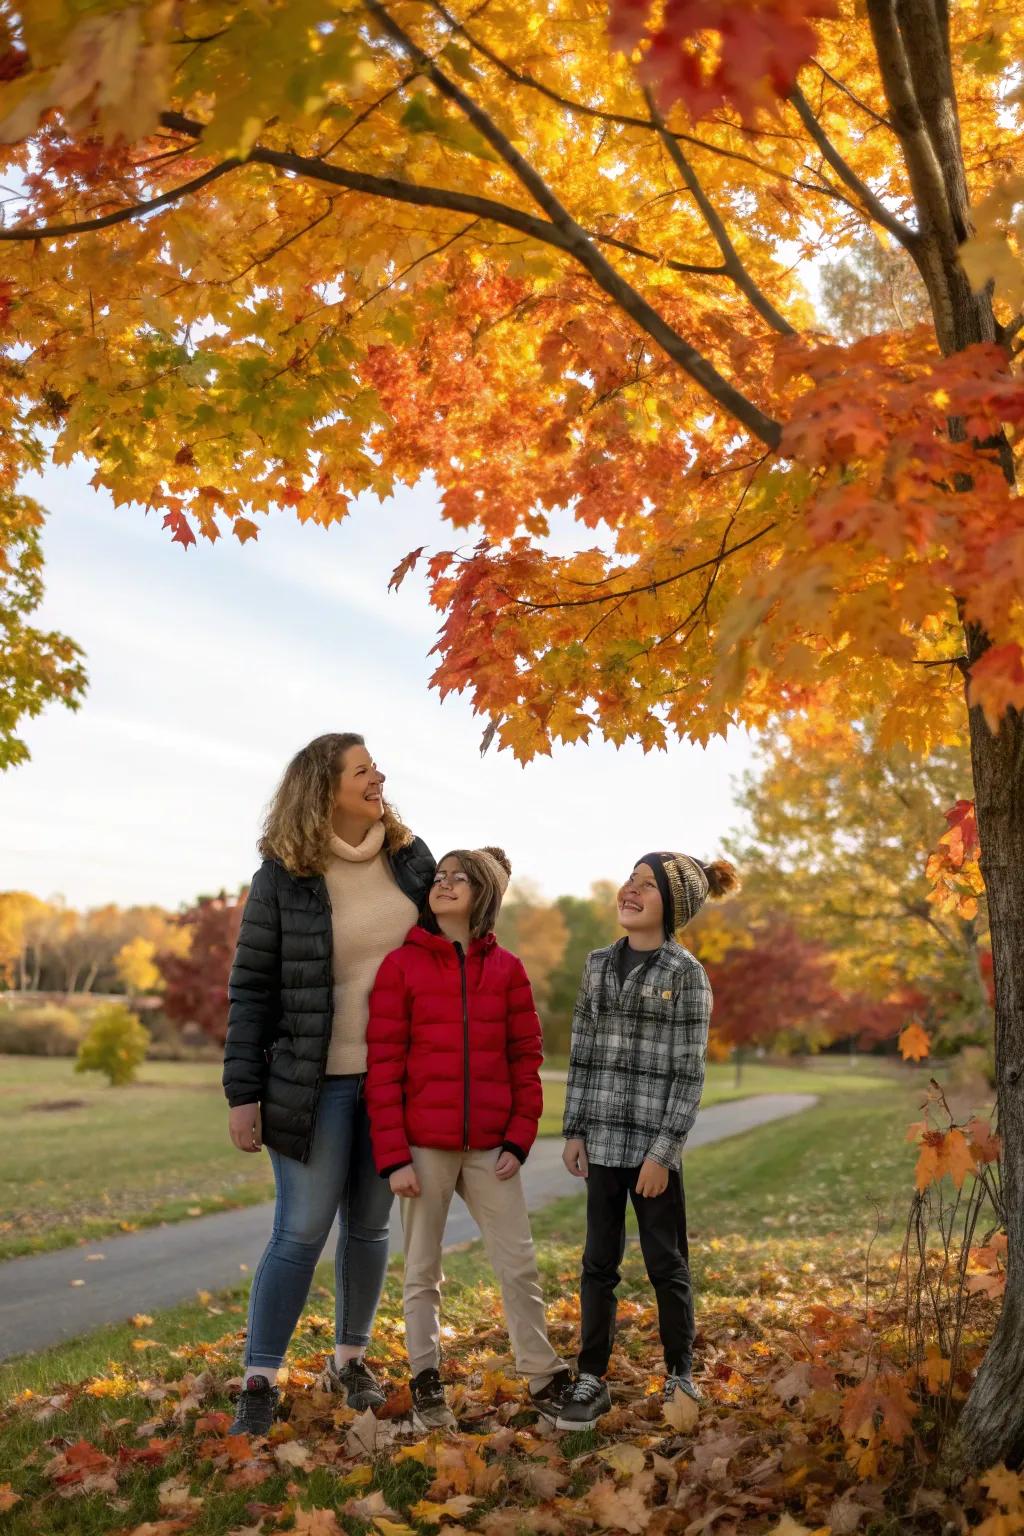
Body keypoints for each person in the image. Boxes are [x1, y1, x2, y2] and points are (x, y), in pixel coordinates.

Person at [222, 732, 434, 1435]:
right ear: (325, 787)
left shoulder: (410, 858)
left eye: (376, 767)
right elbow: (251, 990)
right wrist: (242, 1094)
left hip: (394, 1082)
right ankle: (259, 1379)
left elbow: (448, 952)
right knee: (301, 1229)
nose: (379, 778)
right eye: (362, 770)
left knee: (369, 1227)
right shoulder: (283, 876)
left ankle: (350, 1361)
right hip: (312, 1085)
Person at [365, 846, 574, 1431]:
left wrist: (519, 1137)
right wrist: (394, 1157)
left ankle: (543, 1375)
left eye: (460, 877)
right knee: (422, 1270)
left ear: (484, 894)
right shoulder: (400, 968)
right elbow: (383, 1068)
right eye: (440, 876)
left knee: (519, 1263)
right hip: (422, 1147)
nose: (445, 883)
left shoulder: (507, 970)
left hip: (491, 1149)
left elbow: (526, 1058)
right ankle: (426, 1380)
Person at [556, 851, 740, 1429]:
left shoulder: (685, 974)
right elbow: (582, 1052)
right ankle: (591, 1376)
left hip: (652, 1152)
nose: (630, 891)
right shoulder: (596, 966)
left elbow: (689, 1074)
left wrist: (664, 1152)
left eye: (646, 886)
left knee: (666, 1263)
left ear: (673, 905)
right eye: (629, 880)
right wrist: (575, 1129)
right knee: (598, 1263)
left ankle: (680, 1372)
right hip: (602, 1143)